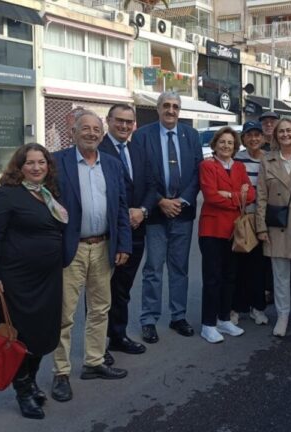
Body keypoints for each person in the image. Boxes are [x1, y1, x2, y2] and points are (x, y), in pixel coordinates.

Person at [51, 111, 132, 403]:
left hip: (103, 247)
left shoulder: (111, 164)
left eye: (96, 129)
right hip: (71, 249)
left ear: (102, 133)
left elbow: (121, 207)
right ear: (73, 131)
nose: (91, 133)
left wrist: (124, 243)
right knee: (65, 314)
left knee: (100, 309)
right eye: (85, 128)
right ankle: (61, 372)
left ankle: (94, 362)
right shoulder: (57, 162)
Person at [0, 144, 68, 419]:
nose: (36, 167)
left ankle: (31, 382)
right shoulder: (6, 195)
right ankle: (22, 391)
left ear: (48, 166)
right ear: (19, 167)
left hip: (48, 279)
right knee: (19, 337)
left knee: (42, 334)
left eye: (41, 162)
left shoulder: (49, 194)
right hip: (17, 280)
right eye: (30, 163)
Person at [134, 91, 202, 343]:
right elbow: (141, 174)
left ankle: (178, 316)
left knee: (179, 268)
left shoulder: (191, 135)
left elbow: (197, 173)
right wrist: (160, 201)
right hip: (155, 214)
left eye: (175, 106)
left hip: (182, 214)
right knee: (153, 268)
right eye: (166, 106)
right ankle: (149, 319)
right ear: (158, 109)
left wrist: (182, 200)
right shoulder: (143, 135)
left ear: (179, 110)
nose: (171, 110)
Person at [98, 104, 147, 366]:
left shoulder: (137, 149)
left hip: (136, 230)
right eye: (119, 121)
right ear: (109, 121)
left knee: (122, 289)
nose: (124, 126)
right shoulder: (99, 149)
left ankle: (118, 335)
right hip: (108, 233)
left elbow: (151, 184)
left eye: (129, 122)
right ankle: (97, 346)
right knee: (100, 293)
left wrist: (143, 210)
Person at [198, 126, 255, 343]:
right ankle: (208, 324)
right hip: (212, 230)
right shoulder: (207, 165)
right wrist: (237, 196)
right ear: (215, 144)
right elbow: (211, 196)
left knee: (230, 276)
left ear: (235, 146)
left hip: (234, 230)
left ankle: (223, 318)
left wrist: (230, 195)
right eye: (222, 142)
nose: (226, 146)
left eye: (230, 143)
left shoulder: (239, 166)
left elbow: (251, 193)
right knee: (212, 278)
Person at [256, 119, 291, 337]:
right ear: (275, 136)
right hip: (276, 225)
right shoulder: (267, 160)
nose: (285, 134)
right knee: (280, 275)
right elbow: (261, 196)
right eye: (281, 131)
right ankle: (283, 315)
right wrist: (260, 227)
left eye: (289, 130)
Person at [230, 121, 269, 326]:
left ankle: (258, 308)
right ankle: (236, 308)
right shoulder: (237, 160)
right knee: (238, 266)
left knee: (259, 266)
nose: (254, 139)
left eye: (257, 135)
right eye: (249, 135)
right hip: (241, 218)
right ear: (243, 139)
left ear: (263, 138)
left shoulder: (270, 159)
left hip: (262, 219)